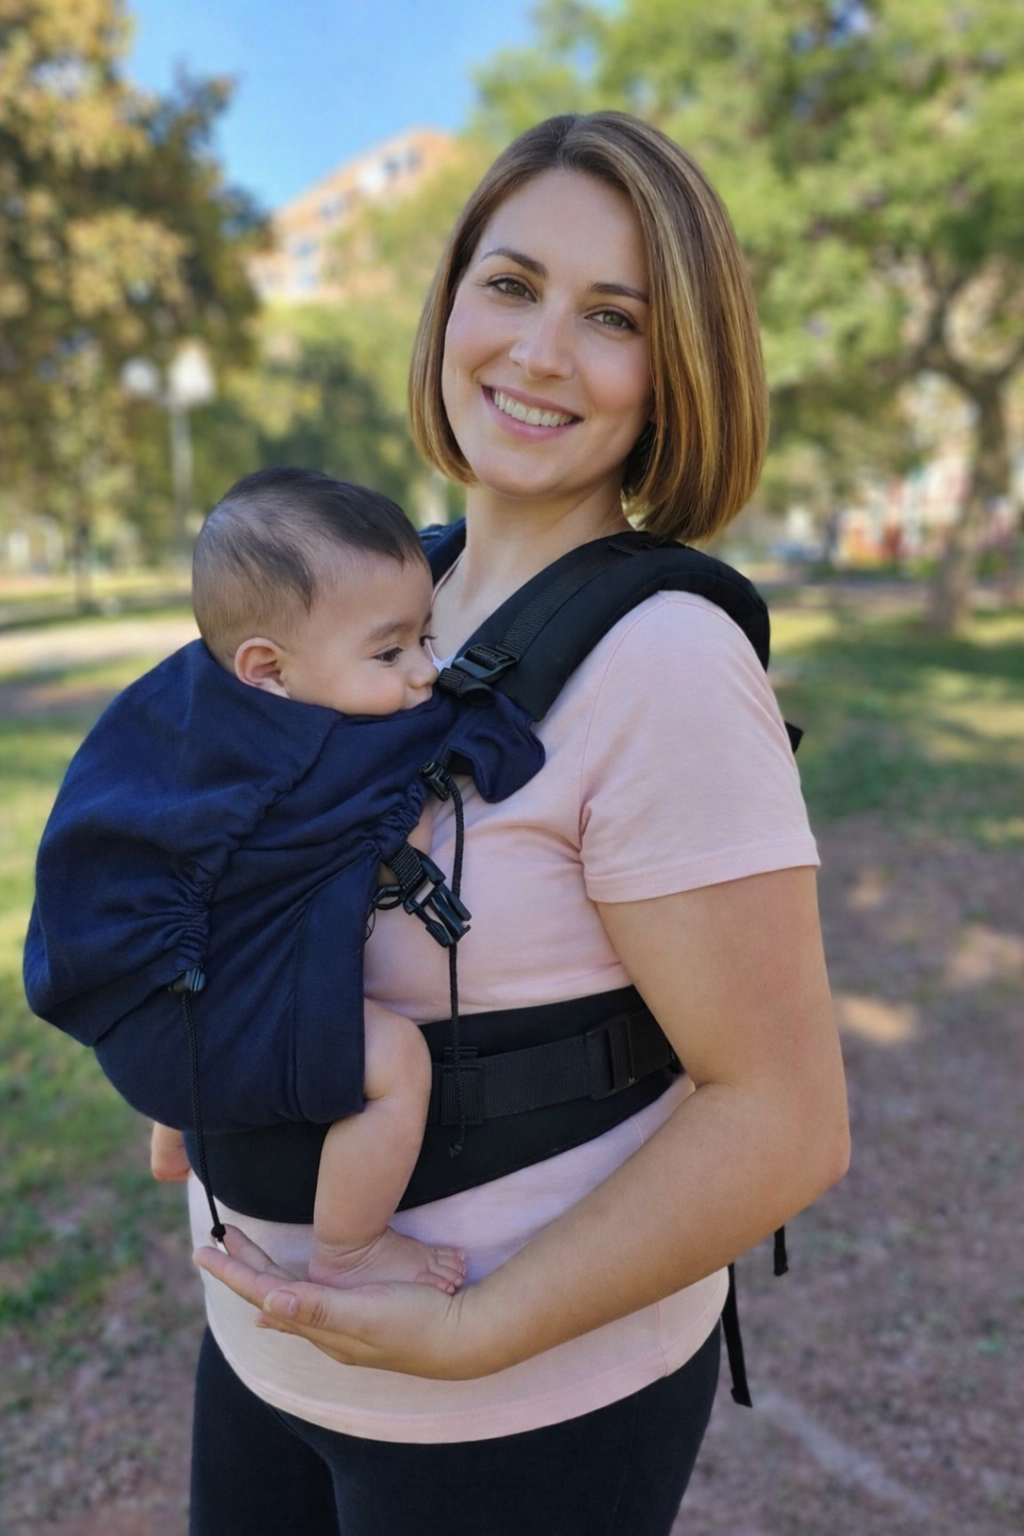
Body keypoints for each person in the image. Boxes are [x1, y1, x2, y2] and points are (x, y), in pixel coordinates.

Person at [180, 113, 849, 1535]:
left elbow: (785, 1121)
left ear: (676, 373)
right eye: (512, 284)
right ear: (449, 306)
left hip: (520, 1414)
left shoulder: (667, 662)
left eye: (613, 316)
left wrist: (477, 1333)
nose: (541, 352)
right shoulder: (370, 601)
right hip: (258, 1353)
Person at [144, 466, 476, 1296]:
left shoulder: (204, 730)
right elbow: (380, 838)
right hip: (236, 1020)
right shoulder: (330, 750)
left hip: (168, 1018)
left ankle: (173, 1134)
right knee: (396, 1058)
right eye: (392, 650)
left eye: (427, 639)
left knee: (192, 974)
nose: (426, 671)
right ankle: (352, 1248)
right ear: (268, 668)